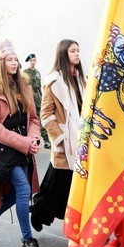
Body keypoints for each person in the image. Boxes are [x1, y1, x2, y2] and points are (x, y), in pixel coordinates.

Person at [0, 39, 47, 247]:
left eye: (16, 59)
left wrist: (33, 138)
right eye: (9, 59)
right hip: (3, 148)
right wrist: (25, 143)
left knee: (18, 192)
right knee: (24, 190)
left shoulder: (23, 85)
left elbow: (33, 118)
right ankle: (27, 240)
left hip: (24, 144)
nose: (15, 63)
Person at [30, 40, 86, 231]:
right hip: (66, 143)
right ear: (64, 54)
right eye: (73, 51)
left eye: (78, 50)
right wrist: (59, 138)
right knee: (55, 186)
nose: (77, 54)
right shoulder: (53, 82)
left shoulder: (81, 79)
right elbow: (45, 114)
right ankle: (38, 213)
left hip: (83, 142)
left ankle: (82, 227)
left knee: (80, 188)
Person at [22, 53, 51, 149]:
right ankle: (31, 140)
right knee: (29, 121)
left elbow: (39, 88)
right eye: (31, 60)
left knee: (40, 120)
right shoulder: (25, 73)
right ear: (27, 62)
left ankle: (45, 140)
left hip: (39, 99)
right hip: (29, 100)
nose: (32, 62)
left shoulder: (38, 72)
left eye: (34, 60)